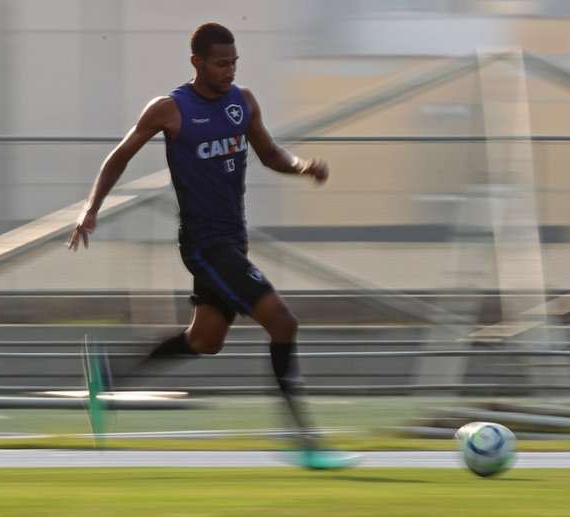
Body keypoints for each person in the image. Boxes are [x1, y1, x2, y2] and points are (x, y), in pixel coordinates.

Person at [68, 22, 356, 469]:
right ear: (196, 62)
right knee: (282, 322)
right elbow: (120, 155)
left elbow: (270, 154)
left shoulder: (243, 103)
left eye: (234, 63)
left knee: (204, 341)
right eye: (220, 63)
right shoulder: (169, 108)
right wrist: (91, 207)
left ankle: (108, 374)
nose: (228, 71)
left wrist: (303, 166)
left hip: (233, 242)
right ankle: (306, 441)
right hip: (203, 244)